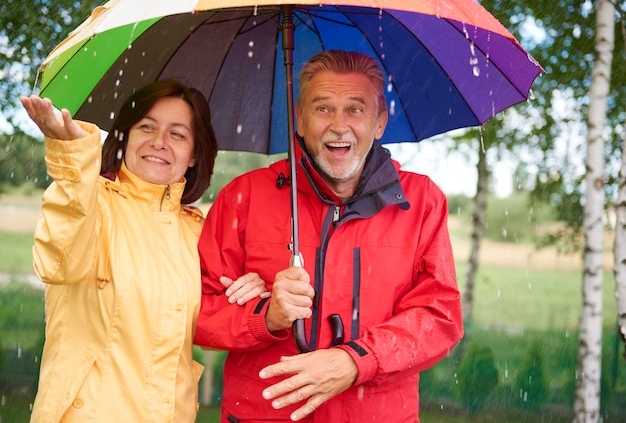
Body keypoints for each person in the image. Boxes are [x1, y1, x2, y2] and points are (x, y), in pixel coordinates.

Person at [194, 50, 464, 422]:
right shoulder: (244, 197)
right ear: (300, 120)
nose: (339, 125)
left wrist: (355, 362)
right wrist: (266, 317)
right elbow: (196, 312)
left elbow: (439, 318)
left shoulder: (421, 202)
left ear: (380, 121)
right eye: (322, 109)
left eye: (355, 109)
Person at [20, 80, 269, 423]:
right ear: (125, 136)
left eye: (178, 134)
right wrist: (74, 165)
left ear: (195, 153)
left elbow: (211, 329)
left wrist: (251, 295)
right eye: (147, 127)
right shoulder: (91, 200)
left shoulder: (198, 231)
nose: (159, 142)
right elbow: (58, 264)